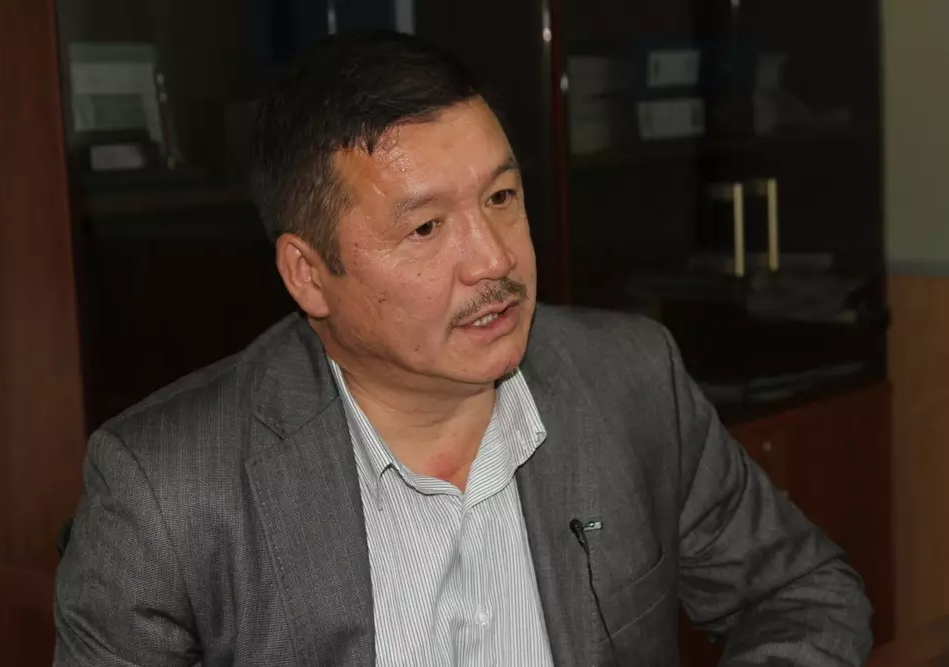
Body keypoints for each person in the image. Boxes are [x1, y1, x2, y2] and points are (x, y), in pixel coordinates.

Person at [53, 31, 871, 667]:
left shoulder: (630, 381)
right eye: (426, 227)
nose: (494, 258)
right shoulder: (166, 492)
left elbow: (802, 593)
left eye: (502, 196)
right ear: (309, 273)